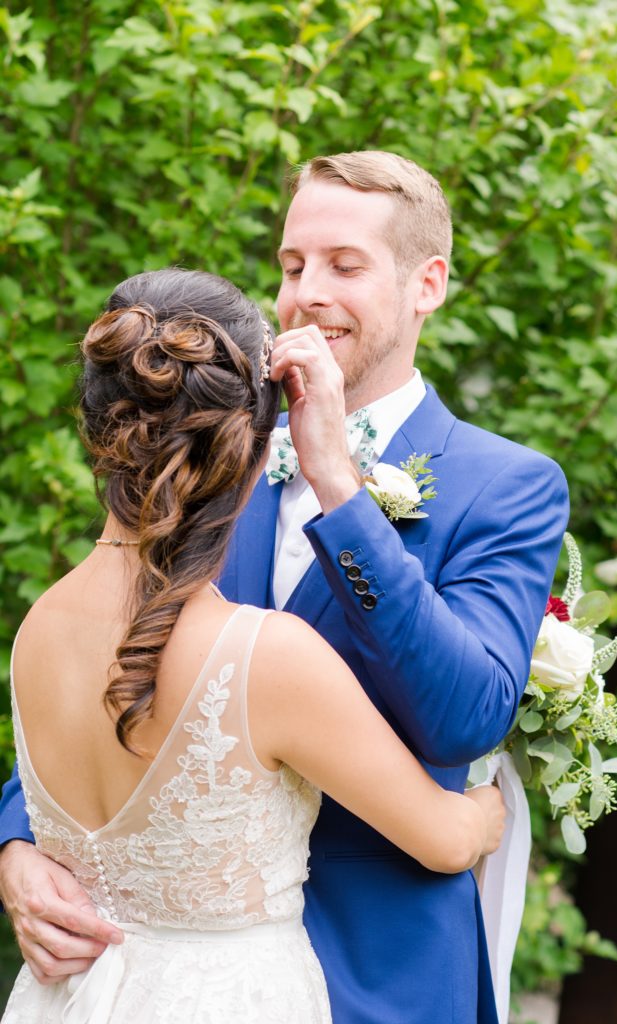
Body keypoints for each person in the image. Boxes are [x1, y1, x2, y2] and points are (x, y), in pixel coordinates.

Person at [0, 150, 569, 1023]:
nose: (307, 293)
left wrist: (338, 487)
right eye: (292, 265)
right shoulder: (206, 456)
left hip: (385, 978)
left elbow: (465, 717)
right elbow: (109, 651)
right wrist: (17, 842)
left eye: (346, 265)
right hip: (173, 971)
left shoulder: (507, 486)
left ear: (428, 284)